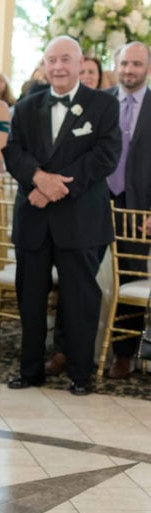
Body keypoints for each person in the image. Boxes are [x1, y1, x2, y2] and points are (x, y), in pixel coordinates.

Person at [3, 36, 121, 396]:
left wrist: (57, 187)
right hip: (35, 219)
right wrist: (39, 180)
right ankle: (30, 370)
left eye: (65, 59)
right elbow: (14, 152)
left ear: (79, 62)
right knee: (31, 299)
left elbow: (105, 155)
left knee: (80, 301)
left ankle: (80, 375)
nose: (58, 67)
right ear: (43, 63)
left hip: (80, 218)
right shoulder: (26, 106)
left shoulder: (102, 104)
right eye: (52, 59)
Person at [104, 42, 151, 379]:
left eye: (136, 64)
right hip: (97, 202)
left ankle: (124, 354)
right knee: (82, 274)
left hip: (139, 209)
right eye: (124, 63)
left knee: (131, 274)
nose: (129, 70)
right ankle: (68, 349)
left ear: (147, 67)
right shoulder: (100, 102)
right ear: (115, 64)